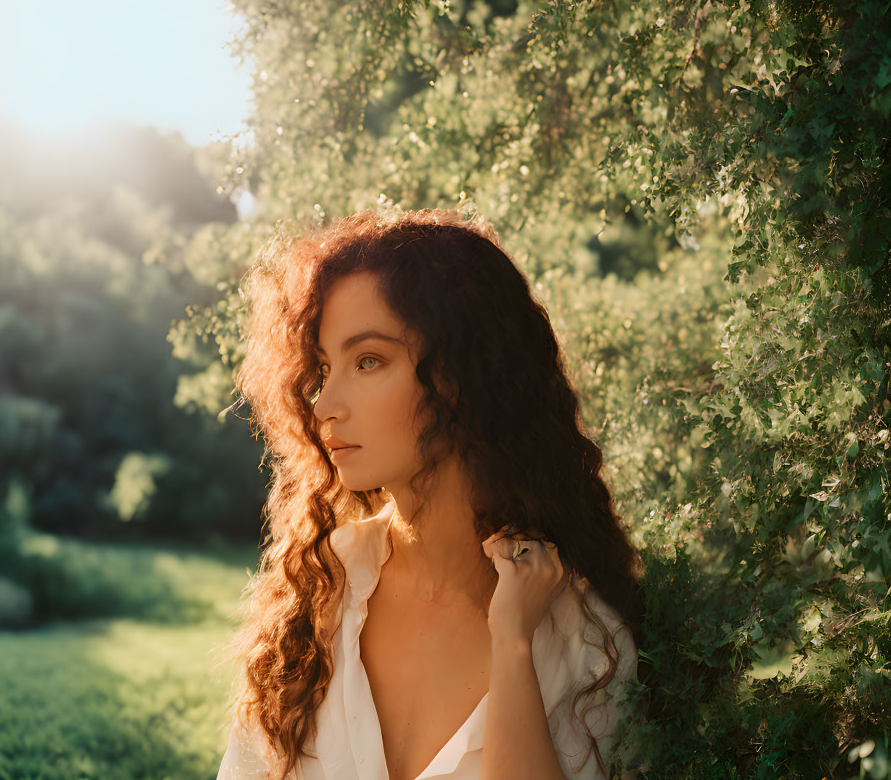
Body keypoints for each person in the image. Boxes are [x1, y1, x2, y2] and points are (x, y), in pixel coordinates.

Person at [216, 207, 642, 780]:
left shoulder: (585, 645)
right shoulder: (314, 598)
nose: (323, 405)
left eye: (369, 360)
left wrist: (513, 644)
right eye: (322, 369)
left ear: (463, 376)